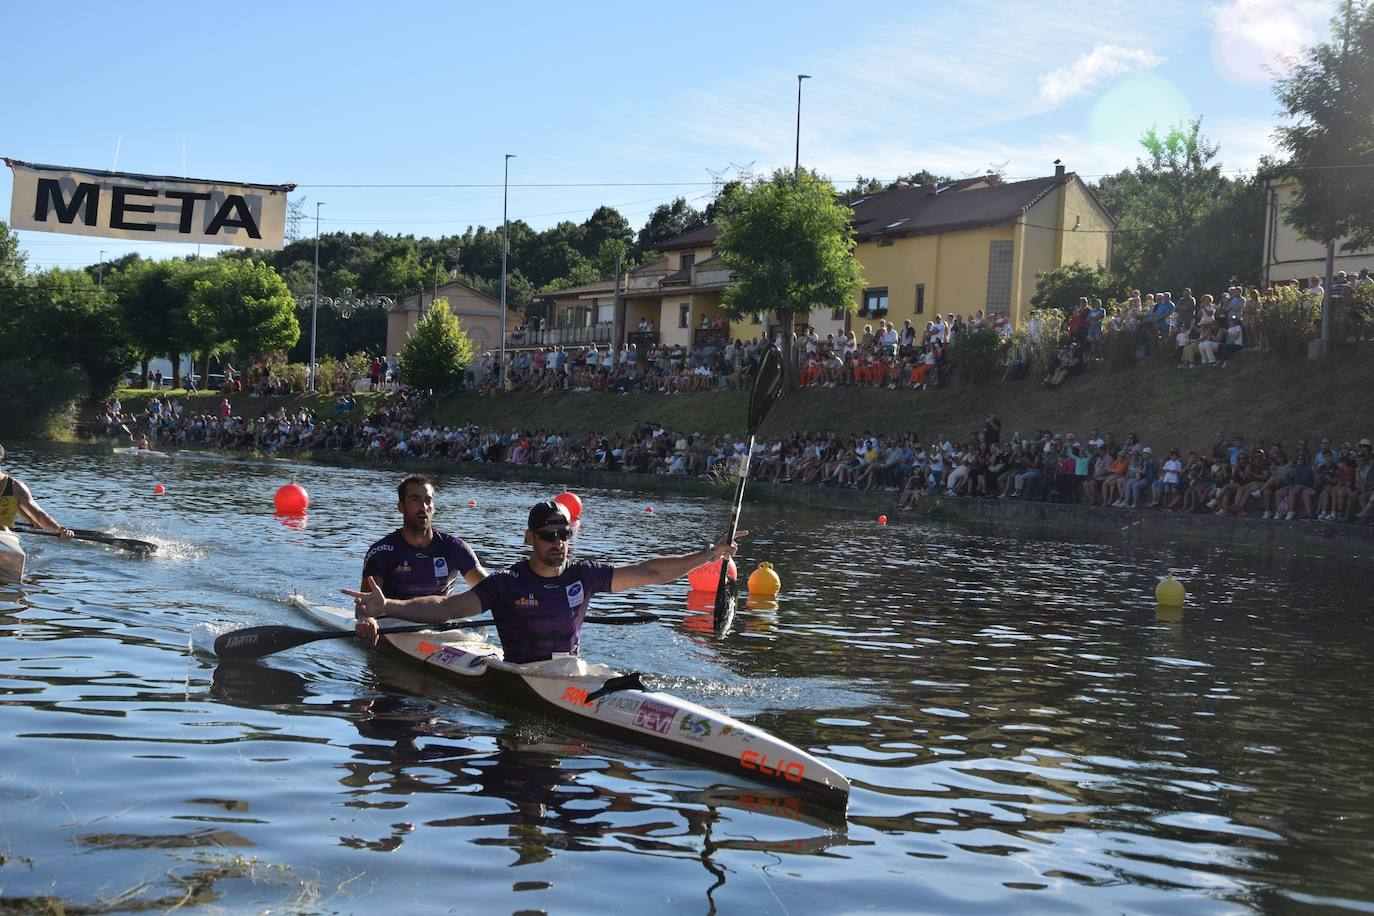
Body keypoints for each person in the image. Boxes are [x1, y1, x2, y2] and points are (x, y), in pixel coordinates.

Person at [346, 500, 745, 664]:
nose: (559, 544)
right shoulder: (506, 583)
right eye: (549, 536)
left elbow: (649, 571)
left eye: (564, 535)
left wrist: (710, 553)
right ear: (530, 538)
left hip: (569, 674)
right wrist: (389, 608)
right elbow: (446, 608)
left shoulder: (583, 576)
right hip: (521, 676)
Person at [360, 474, 488, 599]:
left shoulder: (455, 548)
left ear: (434, 508)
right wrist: (366, 617)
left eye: (428, 500)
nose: (423, 507)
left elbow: (491, 590)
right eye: (415, 500)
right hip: (391, 619)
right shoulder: (382, 551)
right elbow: (365, 608)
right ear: (401, 507)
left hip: (441, 618)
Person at [0, 445, 74, 540]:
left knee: (4, 528)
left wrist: (60, 530)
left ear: (1, 461)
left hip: (5, 537)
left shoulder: (16, 487)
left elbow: (39, 515)